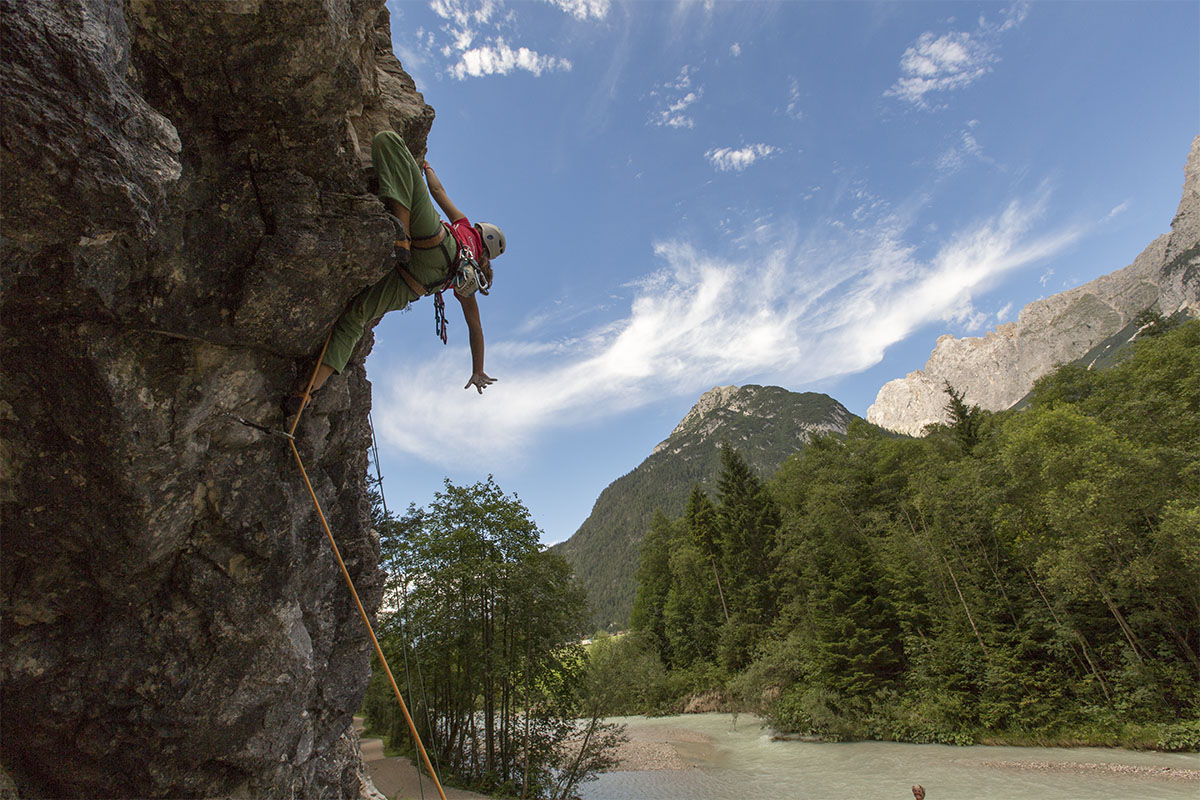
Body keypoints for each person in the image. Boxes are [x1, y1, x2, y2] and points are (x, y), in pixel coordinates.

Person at [284, 130, 505, 415]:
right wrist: (478, 370)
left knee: (388, 140)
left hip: (435, 240)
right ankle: (308, 392)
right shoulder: (469, 278)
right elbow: (475, 328)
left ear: (481, 231)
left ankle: (402, 232)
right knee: (357, 316)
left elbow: (438, 193)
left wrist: (425, 166)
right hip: (418, 283)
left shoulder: (464, 228)